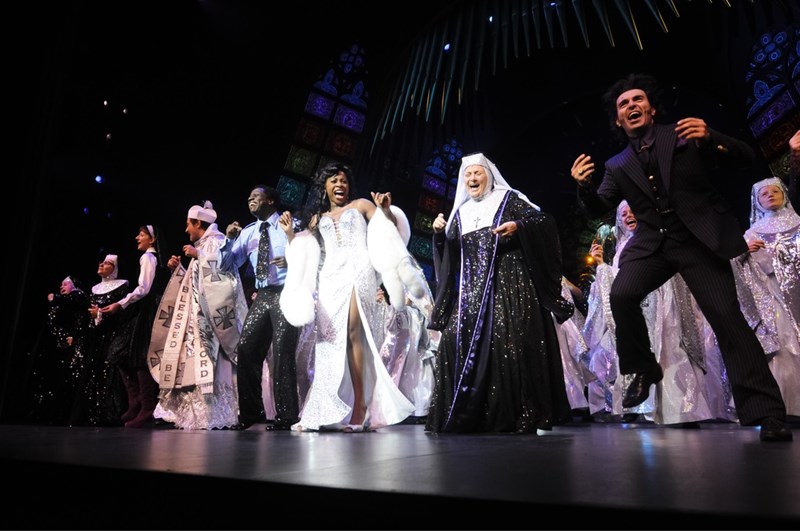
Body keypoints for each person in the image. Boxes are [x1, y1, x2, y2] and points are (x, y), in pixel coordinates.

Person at [570, 72, 791, 441]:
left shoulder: (684, 135)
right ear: (618, 120)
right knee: (621, 293)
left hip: (698, 241)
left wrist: (713, 138)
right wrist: (583, 187)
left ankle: (767, 414)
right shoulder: (617, 164)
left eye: (638, 99)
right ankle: (643, 367)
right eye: (624, 104)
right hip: (652, 246)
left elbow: (746, 156)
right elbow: (597, 207)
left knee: (728, 321)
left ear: (651, 109)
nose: (631, 105)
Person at [426, 152, 574, 434]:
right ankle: (471, 415)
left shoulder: (509, 200)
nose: (472, 178)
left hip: (510, 284)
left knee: (511, 343)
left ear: (489, 176)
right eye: (468, 174)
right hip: (471, 292)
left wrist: (519, 227)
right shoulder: (459, 214)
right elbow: (450, 259)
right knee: (452, 341)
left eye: (477, 173)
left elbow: (544, 222)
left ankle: (520, 414)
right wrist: (438, 235)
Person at [278, 162, 417, 432]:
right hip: (330, 278)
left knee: (353, 332)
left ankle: (360, 408)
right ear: (325, 186)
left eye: (343, 180)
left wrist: (386, 211)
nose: (340, 185)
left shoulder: (362, 205)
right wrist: (290, 234)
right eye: (334, 181)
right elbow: (306, 254)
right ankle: (321, 410)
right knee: (328, 342)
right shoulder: (317, 219)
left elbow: (388, 230)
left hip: (359, 271)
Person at [151, 201, 248, 429]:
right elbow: (197, 282)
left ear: (198, 223)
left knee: (215, 362)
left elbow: (223, 275)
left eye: (188, 224)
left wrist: (200, 255)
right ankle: (194, 412)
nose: (186, 229)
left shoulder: (217, 241)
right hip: (196, 315)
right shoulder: (204, 245)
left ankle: (215, 411)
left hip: (213, 319)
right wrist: (180, 269)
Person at [219, 185, 300, 431]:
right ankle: (251, 413)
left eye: (256, 196)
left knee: (283, 351)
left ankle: (287, 415)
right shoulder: (248, 232)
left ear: (271, 201)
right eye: (249, 196)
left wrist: (292, 259)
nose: (250, 198)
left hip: (287, 291)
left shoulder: (290, 223)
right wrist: (229, 240)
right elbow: (226, 267)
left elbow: (311, 256)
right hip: (263, 295)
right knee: (246, 349)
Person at [732, 177, 800, 417]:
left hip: (796, 294)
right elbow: (736, 269)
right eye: (764, 193)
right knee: (784, 347)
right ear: (757, 201)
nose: (770, 195)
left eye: (775, 191)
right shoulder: (752, 233)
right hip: (772, 297)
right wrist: (742, 253)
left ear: (784, 195)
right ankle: (785, 406)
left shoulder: (798, 225)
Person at [99, 225, 169, 428]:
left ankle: (146, 406)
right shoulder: (153, 258)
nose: (137, 237)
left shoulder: (147, 257)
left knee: (140, 355)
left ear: (152, 240)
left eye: (142, 235)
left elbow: (143, 288)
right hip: (147, 307)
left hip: (147, 308)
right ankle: (137, 400)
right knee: (125, 352)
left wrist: (120, 304)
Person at [73, 255, 130, 426]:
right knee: (93, 372)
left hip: (113, 334)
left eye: (107, 263)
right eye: (102, 262)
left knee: (109, 372)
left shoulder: (122, 286)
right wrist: (95, 317)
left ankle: (110, 413)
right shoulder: (95, 288)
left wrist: (100, 314)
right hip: (96, 336)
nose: (102, 264)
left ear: (115, 268)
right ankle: (89, 413)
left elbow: (123, 312)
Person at [27, 276, 90, 425]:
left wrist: (55, 298)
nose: (61, 287)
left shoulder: (77, 296)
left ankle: (59, 414)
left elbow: (79, 315)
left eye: (65, 284)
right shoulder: (65, 301)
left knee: (62, 377)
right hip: (54, 344)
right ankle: (43, 412)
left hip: (66, 345)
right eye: (61, 284)